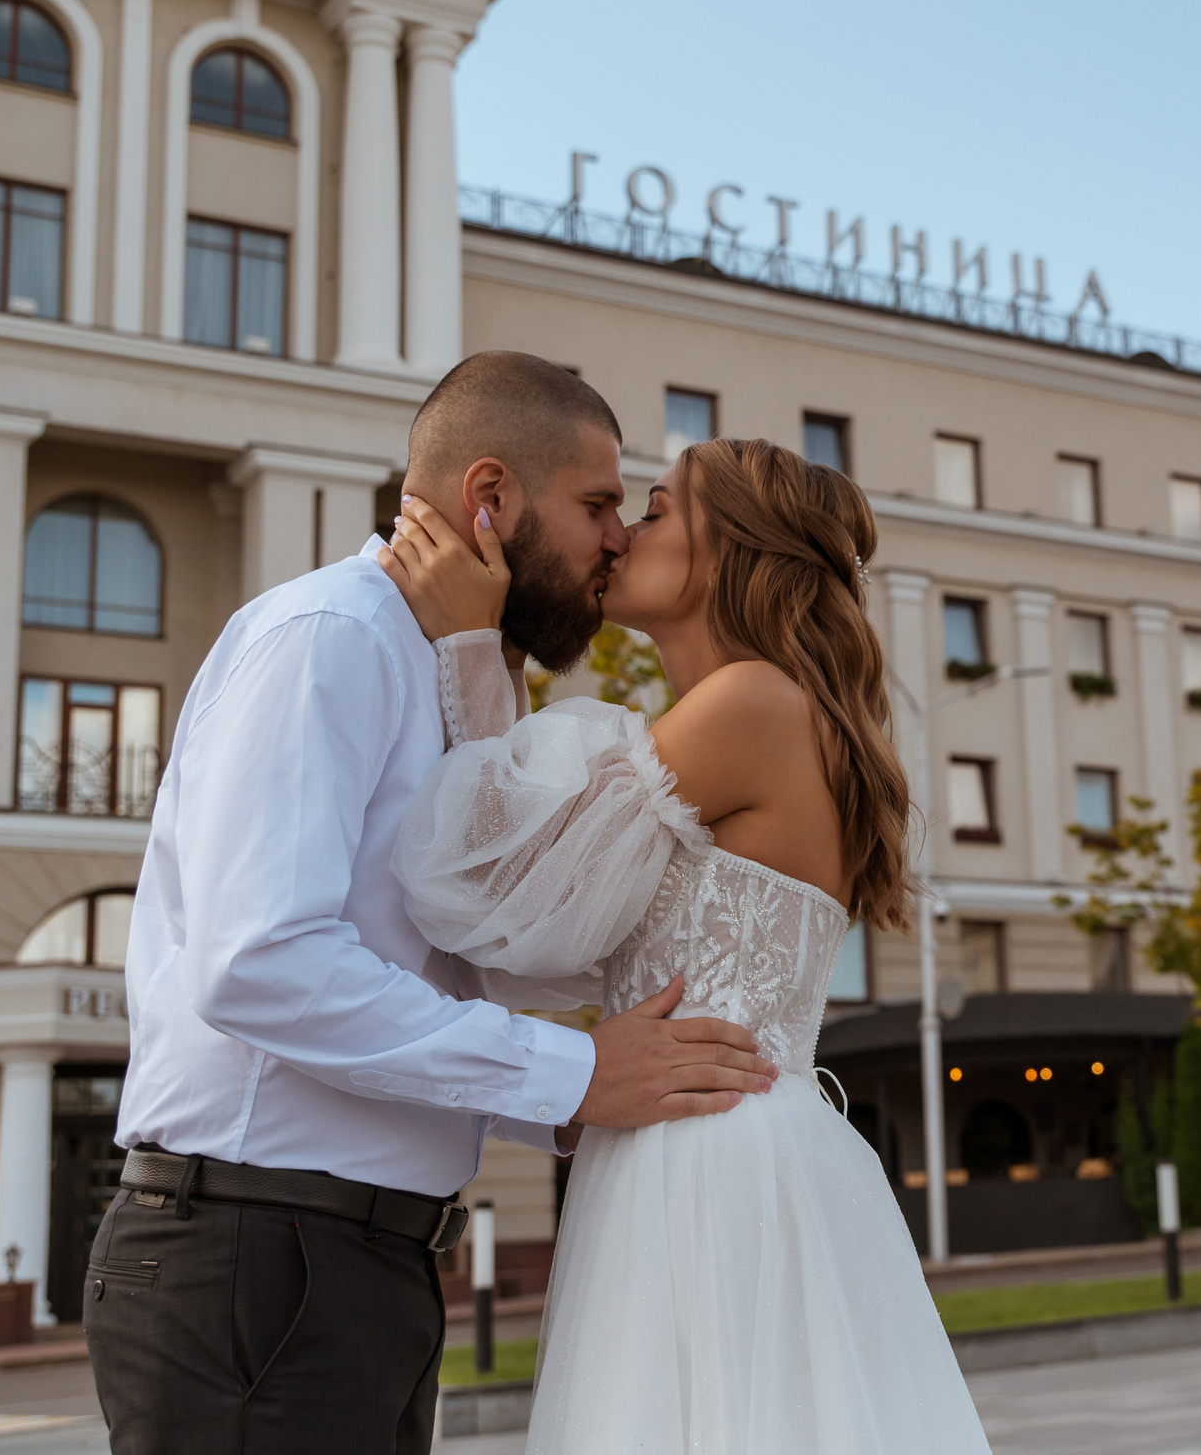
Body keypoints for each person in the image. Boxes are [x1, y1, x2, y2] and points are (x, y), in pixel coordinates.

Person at [85, 354, 778, 1455]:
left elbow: (441, 961)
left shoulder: (460, 674)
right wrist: (570, 1073)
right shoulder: (331, 637)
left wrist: (560, 1103)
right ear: (489, 496)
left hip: (350, 1264)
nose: (616, 539)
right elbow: (260, 963)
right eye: (598, 504)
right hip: (255, 1254)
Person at [380, 435, 992, 1454]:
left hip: (706, 1160)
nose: (623, 534)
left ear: (735, 550)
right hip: (703, 1143)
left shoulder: (751, 705)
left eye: (657, 511)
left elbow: (485, 876)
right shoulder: (757, 716)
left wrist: (472, 647)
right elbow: (540, 923)